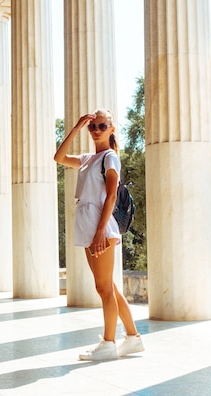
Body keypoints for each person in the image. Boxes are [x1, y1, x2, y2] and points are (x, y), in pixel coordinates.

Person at [54, 109, 144, 361]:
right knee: (109, 287)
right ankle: (134, 338)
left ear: (111, 130)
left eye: (101, 126)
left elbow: (112, 195)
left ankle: (108, 343)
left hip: (100, 227)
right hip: (87, 224)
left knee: (103, 288)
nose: (96, 131)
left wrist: (101, 231)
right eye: (92, 127)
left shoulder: (110, 157)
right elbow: (59, 158)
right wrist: (75, 127)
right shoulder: (87, 159)